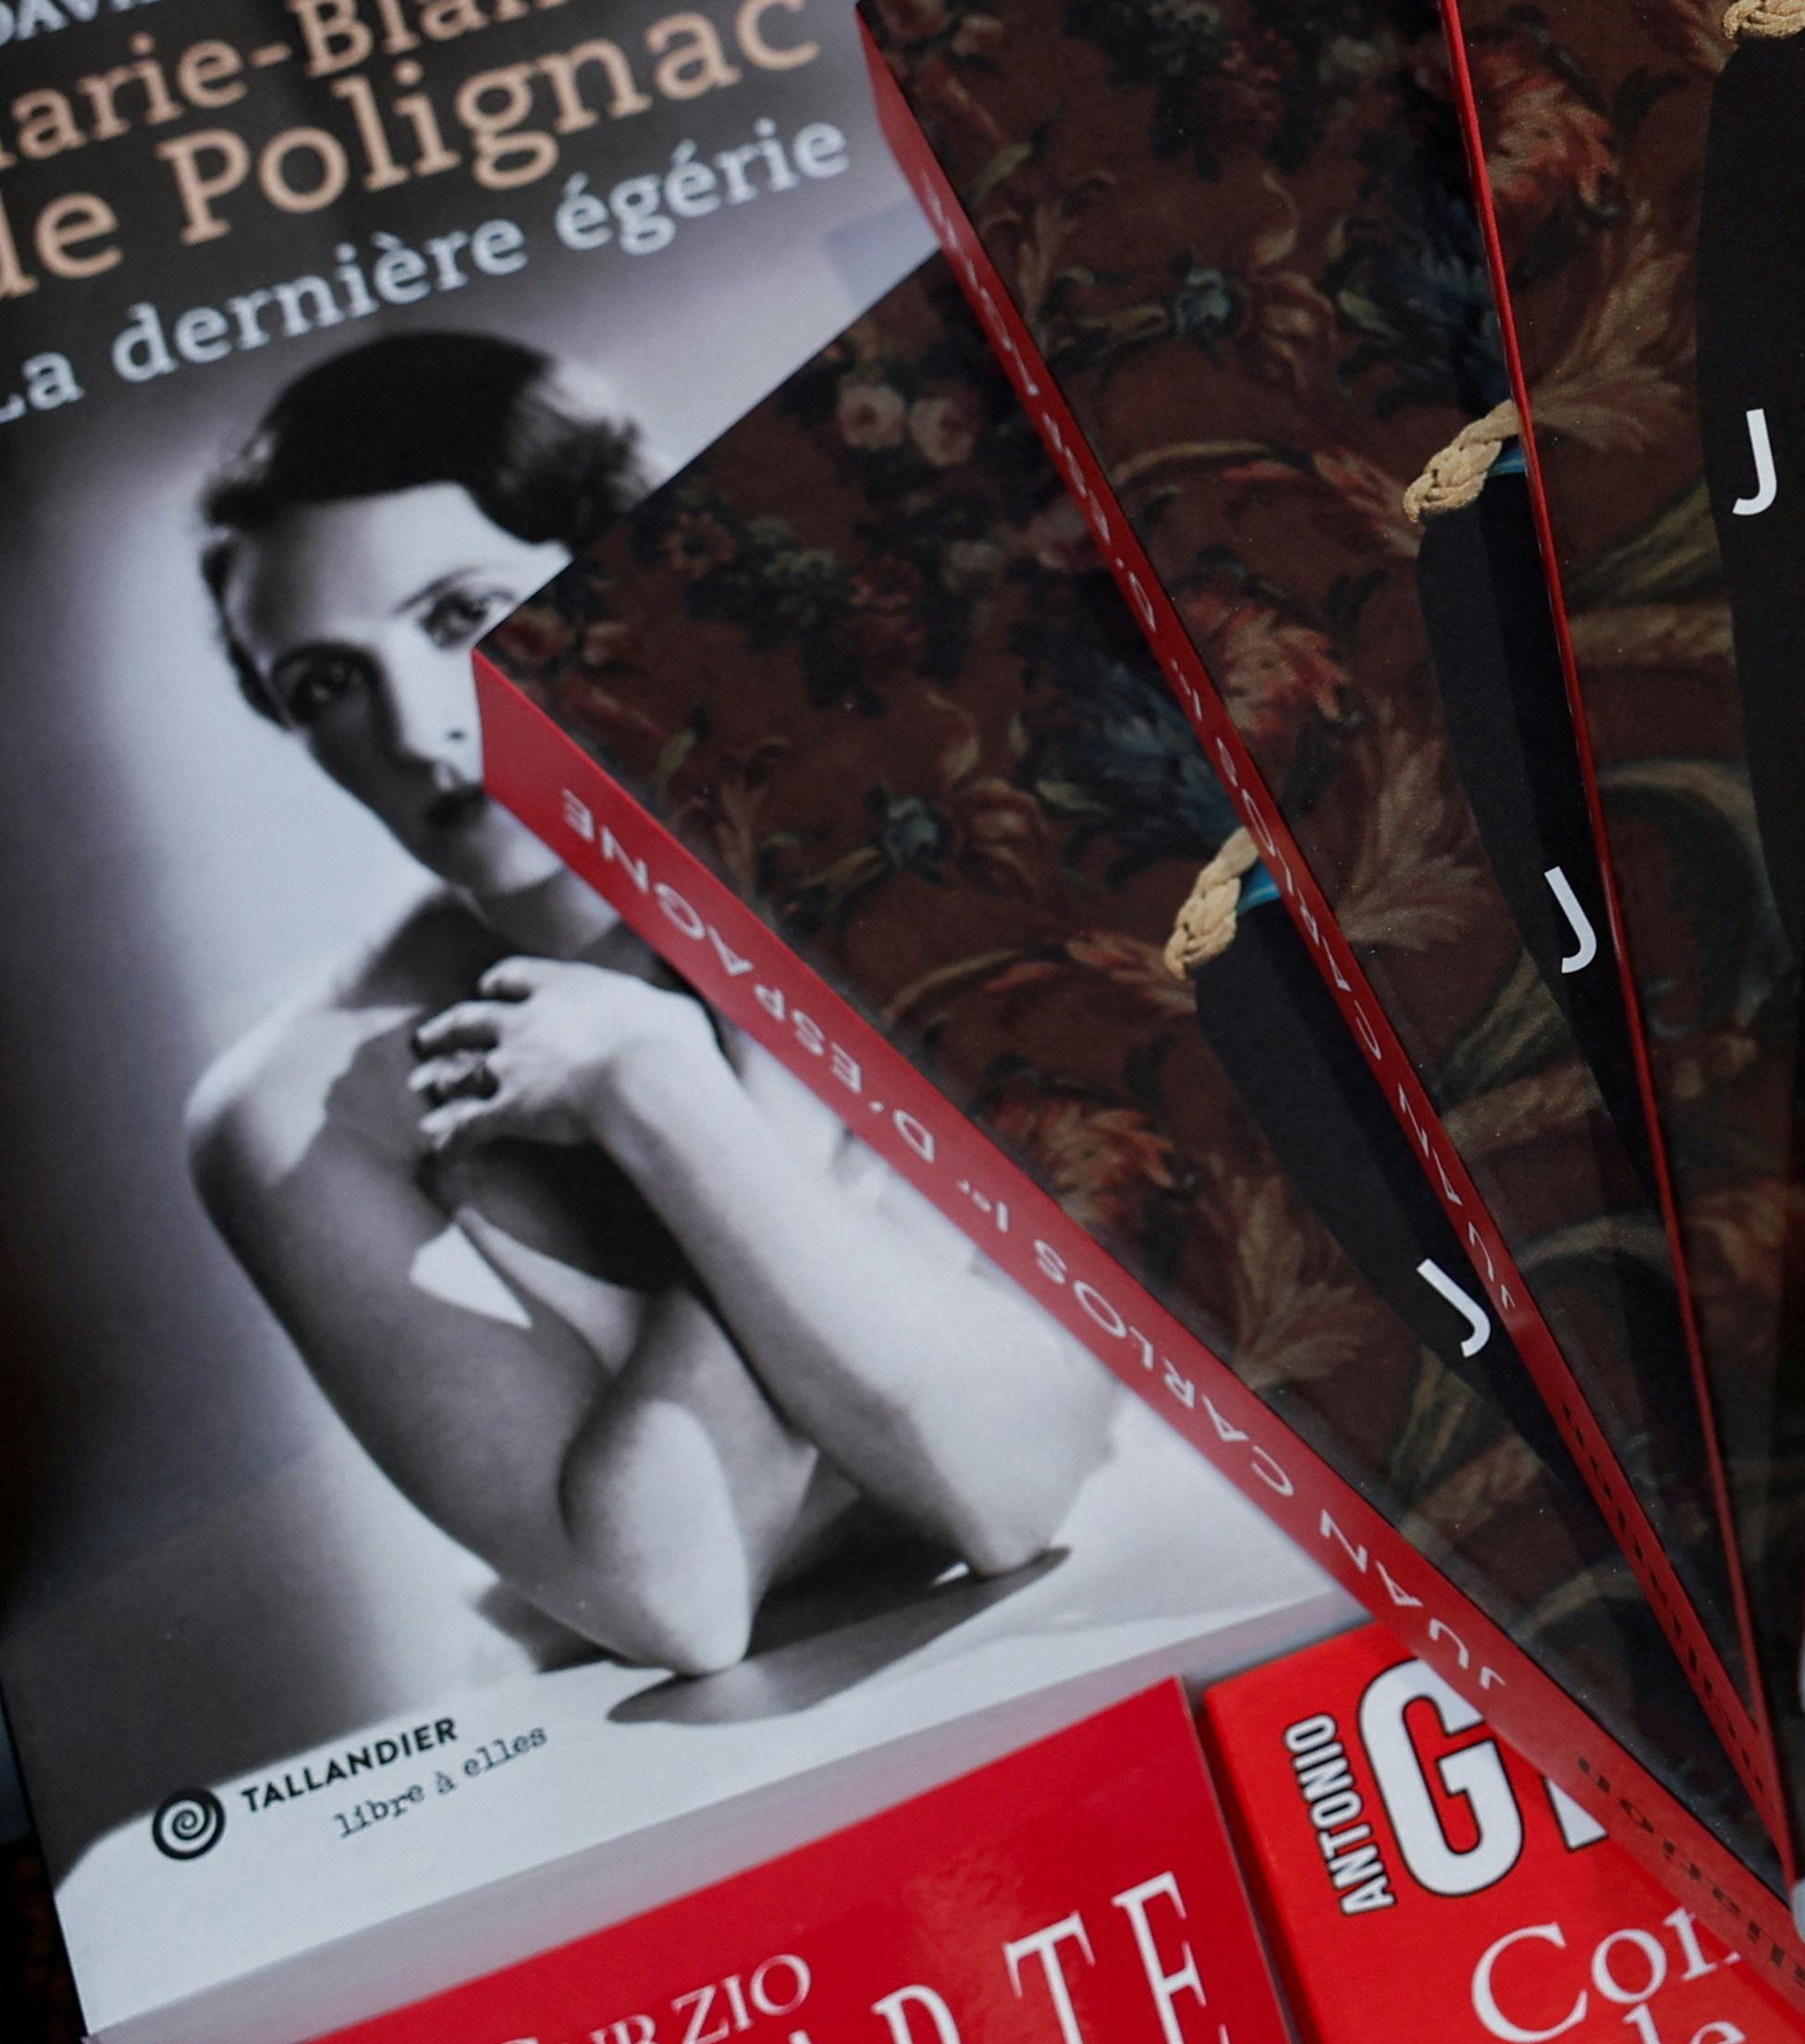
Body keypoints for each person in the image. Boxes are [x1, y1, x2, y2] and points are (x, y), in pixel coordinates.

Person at [181, 336, 1119, 1680]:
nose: (414, 723)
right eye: (323, 683)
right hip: (671, 1776)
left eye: (458, 614)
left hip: (1070, 1641)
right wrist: (713, 1089)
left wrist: (668, 1075)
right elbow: (677, 1596)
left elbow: (1005, 1485)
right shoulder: (291, 1107)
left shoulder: (915, 837)